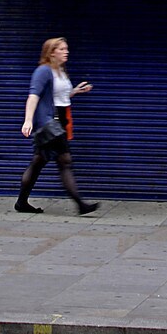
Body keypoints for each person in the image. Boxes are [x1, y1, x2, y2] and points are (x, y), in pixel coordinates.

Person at [15, 35, 100, 216]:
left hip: (59, 120)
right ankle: (80, 204)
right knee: (64, 160)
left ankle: (21, 202)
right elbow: (33, 96)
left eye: (66, 49)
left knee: (38, 162)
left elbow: (59, 98)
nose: (66, 52)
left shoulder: (60, 71)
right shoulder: (43, 71)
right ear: (51, 53)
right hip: (48, 123)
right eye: (62, 49)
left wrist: (76, 91)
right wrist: (28, 120)